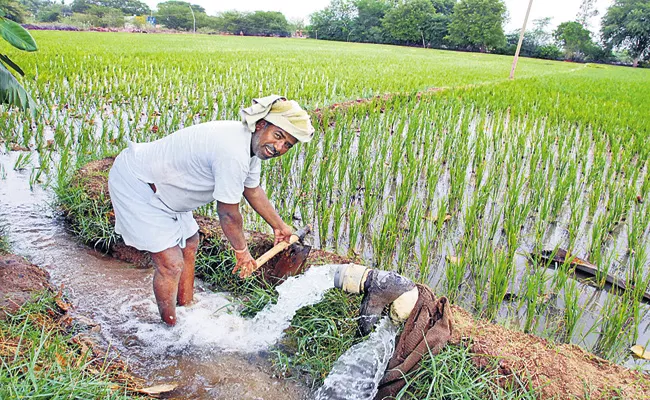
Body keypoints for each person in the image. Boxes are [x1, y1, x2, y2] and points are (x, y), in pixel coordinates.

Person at [107, 95, 314, 326]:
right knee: (171, 264)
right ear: (261, 125)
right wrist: (242, 252)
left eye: (287, 144)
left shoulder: (251, 148)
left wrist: (280, 226)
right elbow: (227, 213)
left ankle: (186, 307)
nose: (279, 147)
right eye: (278, 136)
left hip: (166, 191)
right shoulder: (232, 150)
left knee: (190, 241)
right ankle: (169, 330)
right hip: (139, 184)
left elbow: (252, 189)